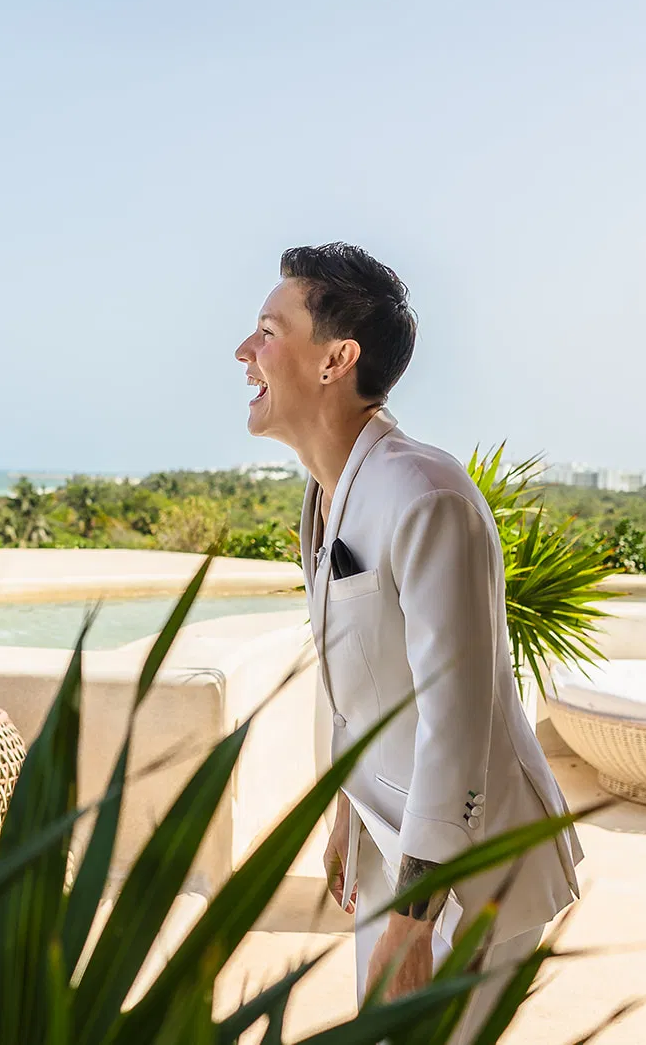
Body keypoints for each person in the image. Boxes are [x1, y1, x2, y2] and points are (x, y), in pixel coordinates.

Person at [234, 243, 582, 1039]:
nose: (245, 350)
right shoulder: (325, 496)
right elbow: (364, 688)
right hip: (391, 852)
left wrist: (416, 920)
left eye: (268, 331)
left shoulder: (427, 496)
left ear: (337, 360)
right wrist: (347, 815)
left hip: (471, 873)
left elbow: (455, 719)